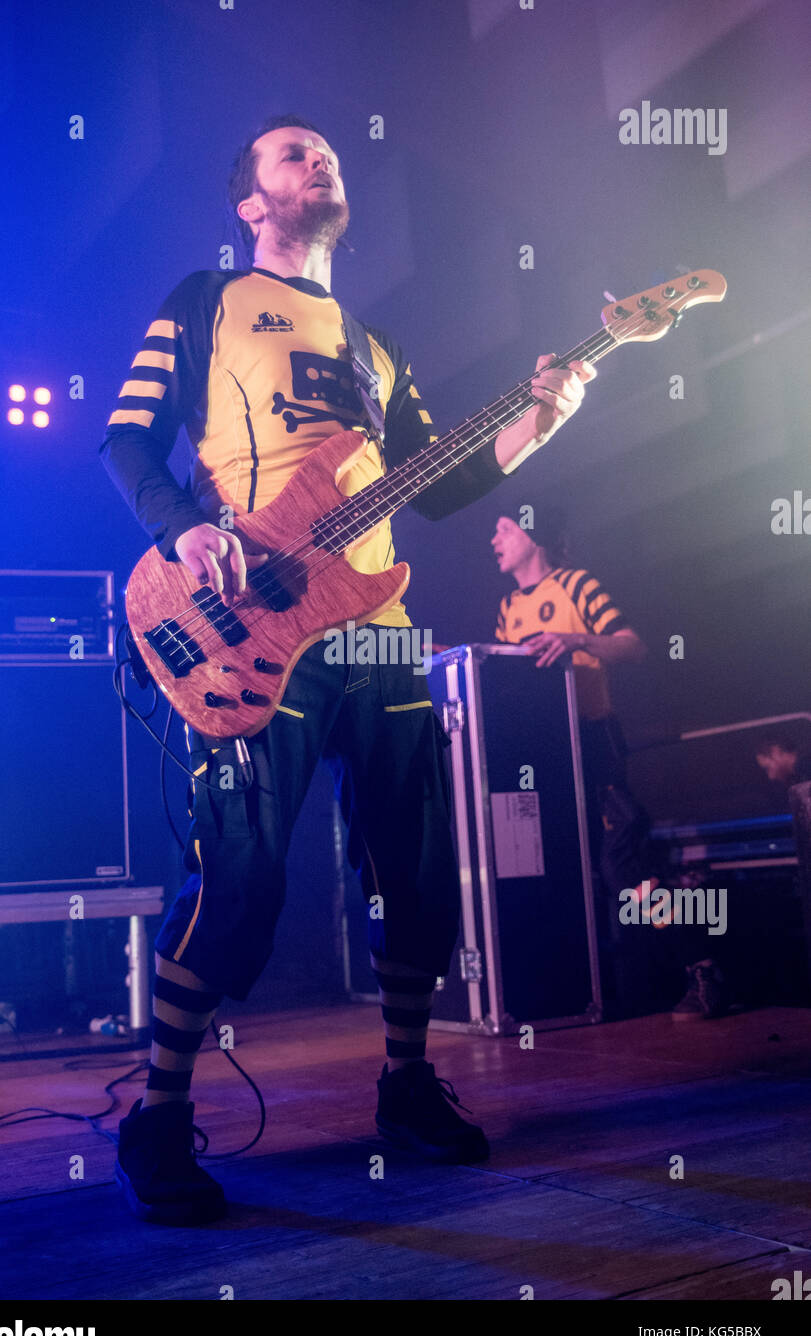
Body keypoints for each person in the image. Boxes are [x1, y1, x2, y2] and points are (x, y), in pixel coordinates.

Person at [100, 115, 596, 1224]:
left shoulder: (379, 351)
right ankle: (160, 1111)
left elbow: (442, 483)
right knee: (240, 879)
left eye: (326, 148)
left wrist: (536, 425)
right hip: (246, 620)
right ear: (250, 203)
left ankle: (407, 1084)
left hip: (376, 623)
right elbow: (127, 439)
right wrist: (182, 529)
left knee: (420, 868)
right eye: (290, 151)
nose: (318, 155)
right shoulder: (204, 301)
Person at [490, 508, 671, 1016]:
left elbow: (633, 647)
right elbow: (513, 677)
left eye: (504, 529)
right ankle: (610, 990)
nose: (494, 540)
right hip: (548, 751)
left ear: (532, 532)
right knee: (568, 867)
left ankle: (699, 962)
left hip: (593, 739)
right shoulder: (507, 607)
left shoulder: (576, 585)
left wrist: (576, 640)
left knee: (623, 865)